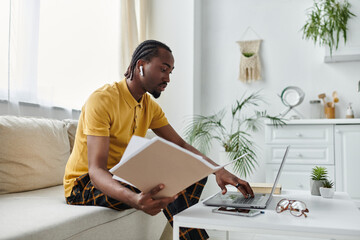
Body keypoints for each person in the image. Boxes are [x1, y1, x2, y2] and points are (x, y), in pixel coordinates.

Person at [63, 39, 254, 240]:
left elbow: (180, 144)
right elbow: (96, 171)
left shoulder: (149, 106)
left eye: (170, 72)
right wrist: (136, 199)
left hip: (121, 175)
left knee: (194, 171)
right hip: (82, 185)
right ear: (141, 66)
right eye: (163, 69)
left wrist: (218, 170)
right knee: (162, 181)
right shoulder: (102, 100)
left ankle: (186, 233)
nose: (168, 78)